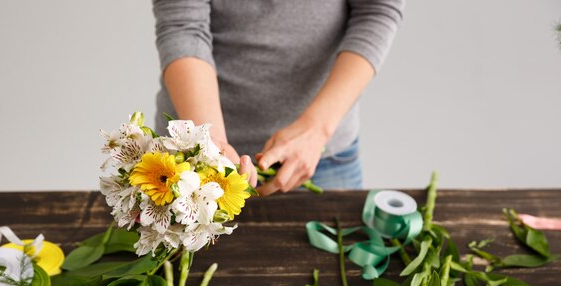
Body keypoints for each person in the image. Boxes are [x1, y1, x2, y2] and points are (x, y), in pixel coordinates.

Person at [152, 0, 405, 195]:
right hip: (192, 154)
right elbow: (183, 26)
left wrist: (317, 129)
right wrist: (208, 144)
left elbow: (377, 10)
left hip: (321, 156)